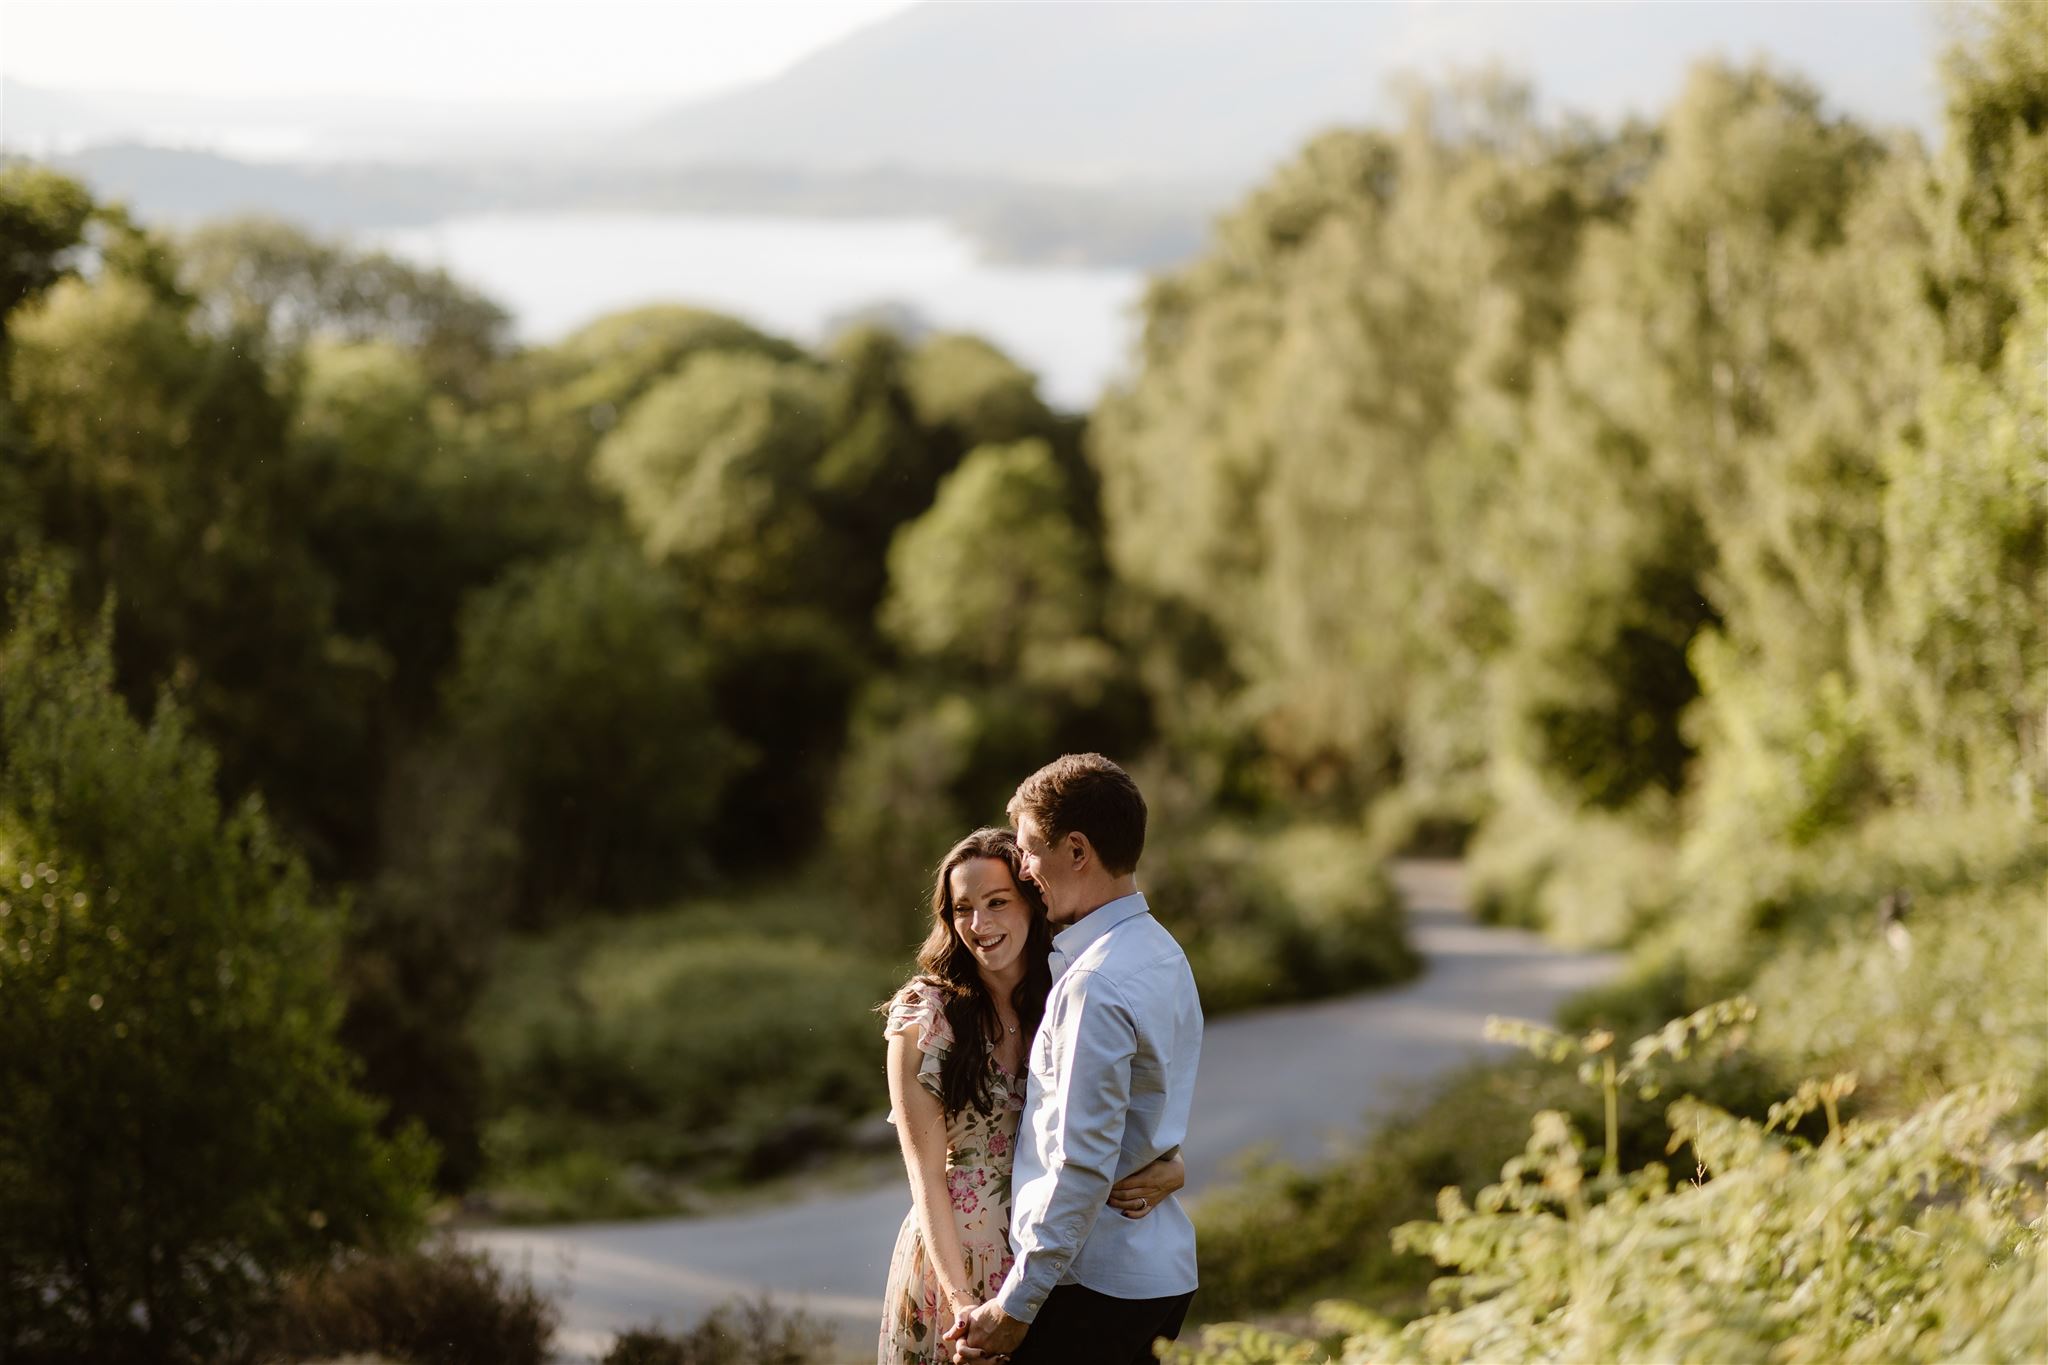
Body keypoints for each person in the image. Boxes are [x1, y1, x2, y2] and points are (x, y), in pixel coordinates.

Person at [879, 827, 1186, 1365]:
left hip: (1049, 1266)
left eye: (998, 902)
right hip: (958, 1263)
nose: (980, 924)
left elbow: (1117, 1115)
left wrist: (1175, 1165)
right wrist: (962, 1306)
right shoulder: (926, 1016)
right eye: (962, 909)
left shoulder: (1067, 993)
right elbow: (924, 1176)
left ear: (1030, 902)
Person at [949, 754, 1203, 1365]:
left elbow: (1080, 1164)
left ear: (1079, 850)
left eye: (1031, 848)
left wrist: (1016, 1306)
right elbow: (1150, 1104)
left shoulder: (1097, 982)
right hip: (1155, 1269)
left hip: (1095, 1280)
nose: (1024, 866)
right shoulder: (1161, 950)